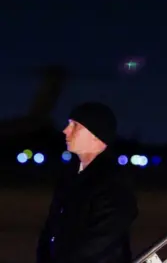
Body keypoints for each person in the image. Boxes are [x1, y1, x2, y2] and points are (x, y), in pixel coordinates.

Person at [37, 102, 138, 263]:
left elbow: (100, 240)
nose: (66, 130)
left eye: (75, 125)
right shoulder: (70, 176)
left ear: (95, 135)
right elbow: (51, 230)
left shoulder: (113, 181)